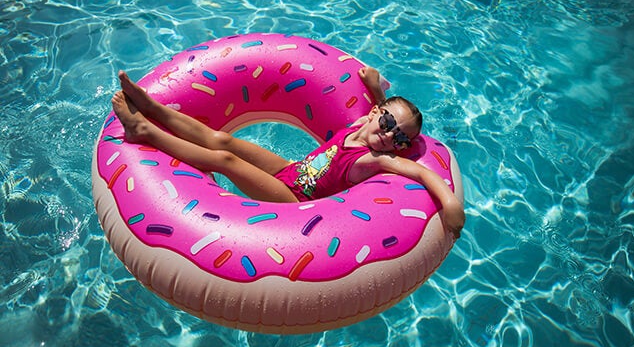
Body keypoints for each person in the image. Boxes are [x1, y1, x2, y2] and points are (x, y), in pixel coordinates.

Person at [111, 67, 465, 238]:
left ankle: (144, 132)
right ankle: (151, 106)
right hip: (293, 170)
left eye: (401, 140)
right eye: (387, 123)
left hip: (294, 198)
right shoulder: (364, 124)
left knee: (226, 162)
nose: (390, 137)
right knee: (223, 140)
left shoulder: (376, 158)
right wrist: (373, 85)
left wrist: (450, 204)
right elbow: (382, 108)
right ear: (376, 113)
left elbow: (420, 172)